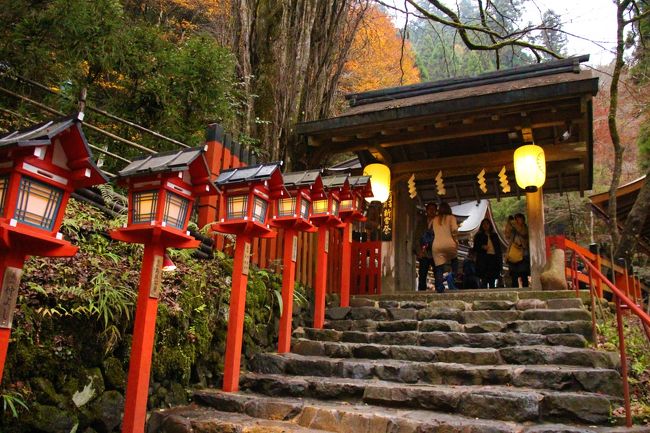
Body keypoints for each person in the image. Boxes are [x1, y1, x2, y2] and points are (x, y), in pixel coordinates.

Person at [431, 202, 458, 293]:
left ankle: (439, 287)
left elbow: (429, 228)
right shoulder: (451, 218)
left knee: (439, 267)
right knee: (454, 259)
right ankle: (453, 275)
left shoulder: (435, 219)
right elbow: (454, 229)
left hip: (437, 245)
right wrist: (455, 239)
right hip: (449, 243)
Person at [473, 218, 502, 288]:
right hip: (483, 259)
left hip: (493, 259)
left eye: (487, 224)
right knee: (484, 279)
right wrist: (481, 247)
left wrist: (500, 261)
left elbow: (498, 249)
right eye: (484, 224)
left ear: (490, 225)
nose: (485, 225)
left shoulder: (494, 235)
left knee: (492, 279)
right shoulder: (478, 236)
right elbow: (475, 248)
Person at [415, 203, 437, 291]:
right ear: (426, 211)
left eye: (433, 209)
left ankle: (438, 291)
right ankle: (421, 293)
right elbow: (417, 237)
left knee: (437, 273)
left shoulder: (439, 222)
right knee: (422, 274)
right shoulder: (421, 222)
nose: (432, 211)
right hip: (424, 252)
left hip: (435, 251)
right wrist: (418, 250)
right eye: (430, 209)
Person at [504, 213, 529, 287]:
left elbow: (523, 233)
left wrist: (514, 224)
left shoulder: (525, 228)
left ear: (523, 220)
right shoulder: (513, 230)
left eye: (519, 219)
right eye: (516, 219)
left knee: (523, 274)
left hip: (523, 255)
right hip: (513, 255)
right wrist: (509, 223)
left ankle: (525, 290)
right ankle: (514, 289)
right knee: (513, 275)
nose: (517, 221)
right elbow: (507, 235)